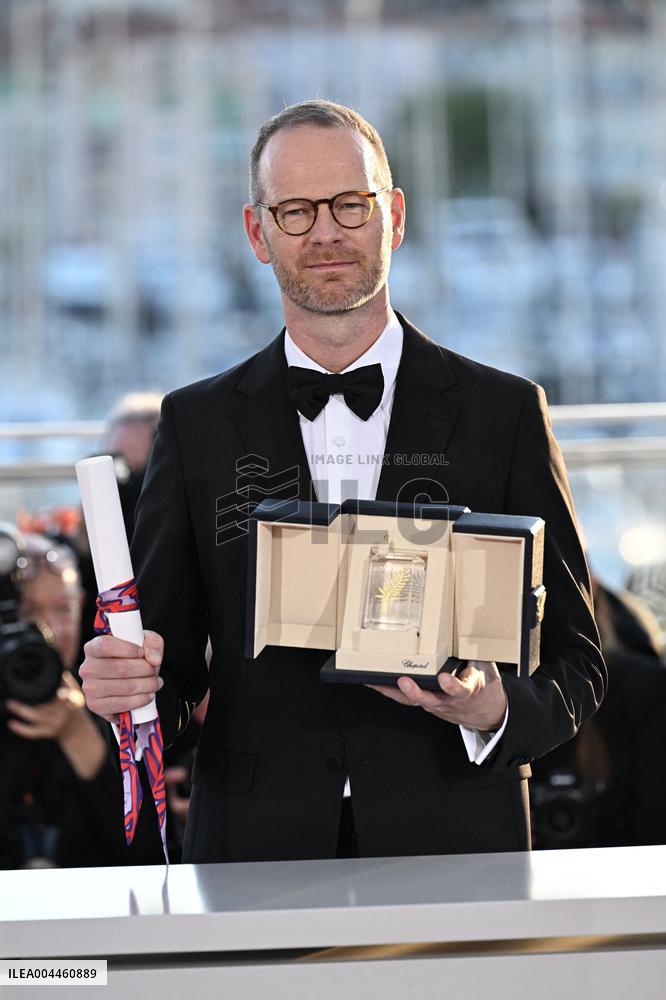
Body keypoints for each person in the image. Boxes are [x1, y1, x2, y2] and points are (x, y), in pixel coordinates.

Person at [79, 100, 606, 863]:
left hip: (458, 842)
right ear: (258, 233)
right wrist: (127, 693)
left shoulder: (507, 412)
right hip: (254, 851)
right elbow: (173, 675)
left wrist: (493, 708)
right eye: (294, 211)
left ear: (393, 215)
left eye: (349, 206)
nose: (325, 232)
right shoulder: (193, 425)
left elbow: (578, 664)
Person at [1, 533, 162, 868]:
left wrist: (77, 732)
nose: (49, 630)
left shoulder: (116, 699)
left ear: (82, 604)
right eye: (29, 612)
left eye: (63, 609)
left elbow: (147, 854)